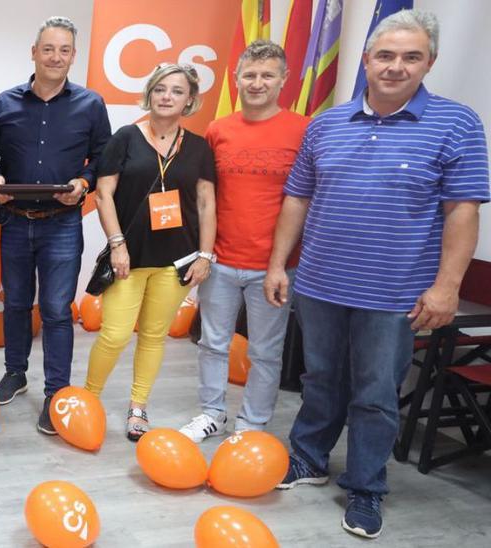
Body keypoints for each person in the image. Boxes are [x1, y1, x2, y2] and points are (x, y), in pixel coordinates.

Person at [265, 10, 488, 539]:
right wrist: (279, 264)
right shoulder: (325, 124)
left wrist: (447, 288)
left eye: (411, 57)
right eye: (385, 55)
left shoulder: (456, 123)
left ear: (428, 63)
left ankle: (365, 486)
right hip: (319, 283)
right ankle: (309, 459)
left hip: (394, 295)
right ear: (366, 60)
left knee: (374, 393)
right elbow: (298, 197)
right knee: (319, 379)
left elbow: (463, 211)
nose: (395, 66)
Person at [177, 40, 309, 443]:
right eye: (249, 75)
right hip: (219, 261)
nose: (257, 83)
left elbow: (305, 198)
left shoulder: (304, 129)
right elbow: (206, 196)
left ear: (284, 80)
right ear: (236, 80)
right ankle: (212, 413)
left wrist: (279, 264)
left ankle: (253, 424)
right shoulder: (219, 130)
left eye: (267, 75)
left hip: (275, 267)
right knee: (212, 344)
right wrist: (203, 252)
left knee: (265, 353)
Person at [0, 16, 111, 435]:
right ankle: (15, 374)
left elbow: (103, 158)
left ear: (73, 56)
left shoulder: (91, 105)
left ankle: (56, 391)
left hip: (62, 224)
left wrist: (83, 183)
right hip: (16, 221)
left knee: (57, 311)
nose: (56, 57)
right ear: (34, 52)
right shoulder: (4, 103)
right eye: (48, 49)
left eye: (64, 50)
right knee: (16, 303)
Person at [85, 63, 217, 442]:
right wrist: (116, 244)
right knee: (113, 335)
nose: (166, 96)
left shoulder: (198, 147)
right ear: (149, 93)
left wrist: (206, 255)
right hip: (129, 256)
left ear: (189, 100)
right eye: (160, 89)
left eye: (176, 91)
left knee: (154, 336)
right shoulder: (125, 137)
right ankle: (89, 399)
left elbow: (206, 203)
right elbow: (104, 193)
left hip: (177, 260)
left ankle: (138, 406)